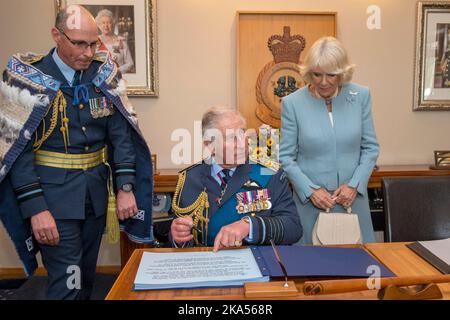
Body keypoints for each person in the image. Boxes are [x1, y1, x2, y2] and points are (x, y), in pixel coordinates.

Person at [0, 5, 153, 299]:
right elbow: (17, 150)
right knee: (67, 284)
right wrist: (36, 209)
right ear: (57, 35)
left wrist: (125, 188)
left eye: (93, 43)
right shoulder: (28, 76)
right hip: (53, 202)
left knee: (85, 281)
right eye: (79, 43)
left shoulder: (104, 73)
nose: (87, 52)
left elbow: (121, 136)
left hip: (94, 197)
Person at [279, 36, 379, 245]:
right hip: (311, 205)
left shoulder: (360, 95)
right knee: (310, 271)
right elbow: (286, 157)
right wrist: (310, 190)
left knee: (356, 267)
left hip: (352, 201)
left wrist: (354, 185)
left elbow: (370, 148)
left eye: (331, 75)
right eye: (317, 74)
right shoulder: (292, 103)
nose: (323, 82)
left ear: (342, 73)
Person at [170, 107, 302, 251]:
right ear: (209, 145)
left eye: (242, 134)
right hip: (207, 263)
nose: (241, 144)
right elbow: (179, 235)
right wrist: (178, 237)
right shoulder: (190, 178)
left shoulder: (268, 173)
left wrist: (250, 226)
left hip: (258, 262)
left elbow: (293, 228)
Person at [95, 9, 135, 74]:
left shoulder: (121, 41)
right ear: (99, 25)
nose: (106, 25)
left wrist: (116, 71)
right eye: (103, 23)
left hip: (118, 78)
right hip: (99, 80)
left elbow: (130, 63)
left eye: (109, 22)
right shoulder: (95, 41)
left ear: (113, 24)